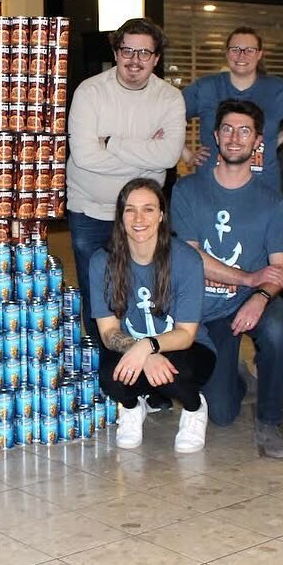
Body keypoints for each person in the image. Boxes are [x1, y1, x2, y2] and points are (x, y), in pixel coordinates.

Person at [171, 99, 283, 457]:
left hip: (247, 302)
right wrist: (248, 278)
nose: (234, 137)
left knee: (276, 329)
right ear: (215, 135)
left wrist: (260, 296)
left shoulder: (271, 201)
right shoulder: (188, 190)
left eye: (244, 131)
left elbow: (282, 268)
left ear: (258, 141)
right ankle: (238, 375)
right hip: (206, 309)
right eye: (227, 129)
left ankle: (270, 422)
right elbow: (191, 255)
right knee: (222, 415)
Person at [67, 17, 186, 346]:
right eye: (127, 51)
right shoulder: (90, 92)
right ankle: (105, 372)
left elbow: (167, 156)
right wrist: (145, 149)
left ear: (156, 58)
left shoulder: (170, 99)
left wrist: (112, 142)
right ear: (116, 52)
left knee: (142, 292)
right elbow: (83, 156)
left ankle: (143, 363)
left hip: (142, 215)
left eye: (144, 53)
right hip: (89, 211)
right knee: (97, 297)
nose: (135, 60)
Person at [89, 178, 216, 453]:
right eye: (130, 210)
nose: (138, 218)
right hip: (132, 346)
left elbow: (186, 334)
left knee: (176, 374)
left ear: (161, 215)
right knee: (110, 376)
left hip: (188, 348)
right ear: (120, 217)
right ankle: (133, 406)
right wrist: (139, 351)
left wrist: (147, 347)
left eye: (148, 209)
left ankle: (195, 408)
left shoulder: (186, 259)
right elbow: (109, 332)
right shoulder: (102, 262)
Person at [182, 27, 283, 190]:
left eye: (249, 50)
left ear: (259, 54)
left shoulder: (280, 91)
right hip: (210, 188)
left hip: (263, 187)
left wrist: (278, 139)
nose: (241, 55)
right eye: (235, 49)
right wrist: (187, 155)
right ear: (227, 53)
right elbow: (167, 117)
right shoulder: (206, 88)